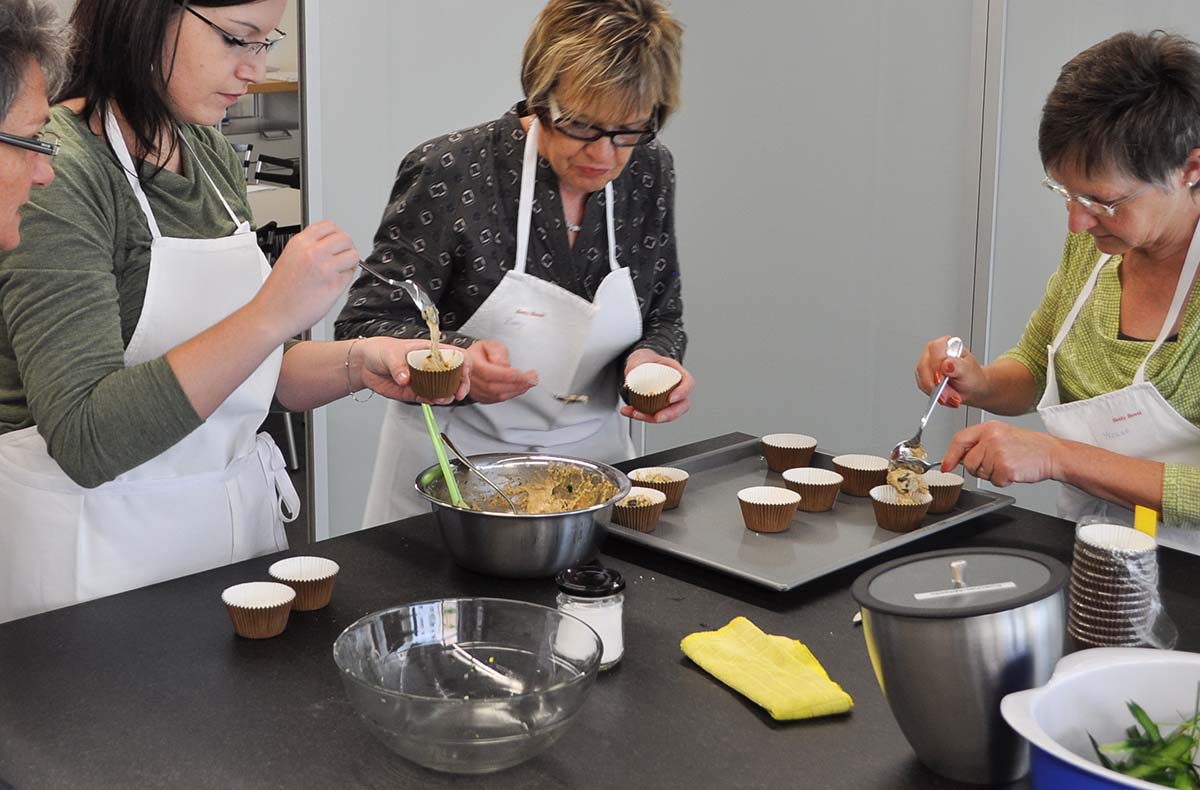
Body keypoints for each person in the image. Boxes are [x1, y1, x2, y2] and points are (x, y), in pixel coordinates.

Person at [0, 0, 469, 623]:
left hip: (227, 542)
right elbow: (87, 440)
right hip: (92, 562)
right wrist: (271, 313)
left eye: (265, 43)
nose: (254, 70)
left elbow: (247, 370)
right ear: (146, 16)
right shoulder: (60, 171)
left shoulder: (207, 152)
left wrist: (360, 362)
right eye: (236, 39)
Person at [337, 0, 695, 524]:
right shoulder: (453, 170)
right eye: (581, 126)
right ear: (540, 98)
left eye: (628, 130)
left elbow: (663, 312)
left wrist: (652, 362)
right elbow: (365, 324)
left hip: (597, 471)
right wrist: (457, 363)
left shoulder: (649, 169)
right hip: (452, 472)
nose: (603, 155)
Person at [916, 31, 1200, 551]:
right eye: (1066, 193)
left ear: (1191, 170)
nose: (1077, 222)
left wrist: (1056, 456)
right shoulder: (1099, 243)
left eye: (1102, 201)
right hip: (1090, 547)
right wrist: (979, 381)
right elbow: (1036, 365)